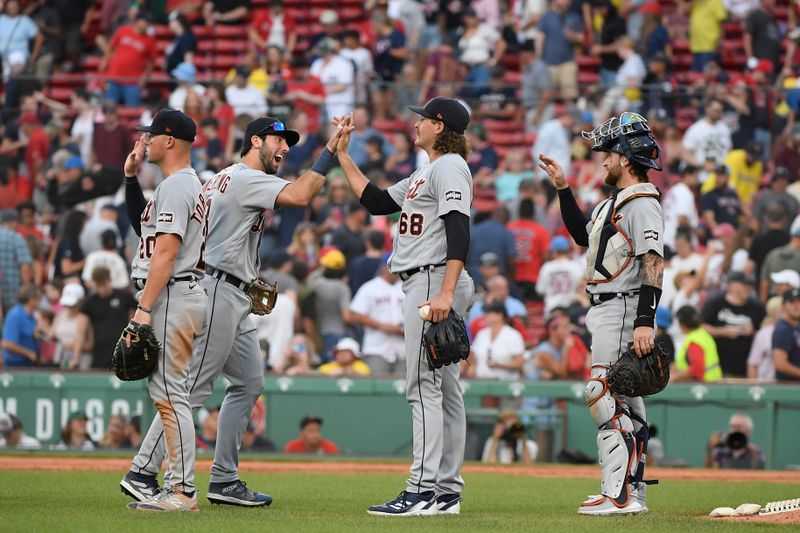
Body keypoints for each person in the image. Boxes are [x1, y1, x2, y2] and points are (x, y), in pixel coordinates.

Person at [122, 115, 346, 509]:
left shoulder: (218, 177)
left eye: (288, 142)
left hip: (234, 291)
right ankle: (143, 470)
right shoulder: (244, 176)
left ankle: (223, 478)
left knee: (249, 382)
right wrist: (329, 152)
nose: (285, 148)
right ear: (255, 141)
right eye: (278, 140)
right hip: (216, 289)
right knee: (190, 390)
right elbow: (300, 195)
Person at [336, 97, 475, 516]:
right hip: (429, 278)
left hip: (433, 280)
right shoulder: (426, 170)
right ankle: (446, 490)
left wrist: (446, 292)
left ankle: (422, 490)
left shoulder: (449, 164)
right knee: (445, 390)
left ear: (439, 125)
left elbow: (459, 229)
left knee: (421, 387)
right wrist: (342, 156)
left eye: (422, 119)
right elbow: (378, 201)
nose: (414, 124)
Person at [538, 111, 665, 515]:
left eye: (607, 152)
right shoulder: (617, 201)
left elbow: (654, 263)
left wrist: (645, 320)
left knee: (603, 392)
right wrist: (563, 189)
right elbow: (580, 235)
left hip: (623, 306)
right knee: (627, 400)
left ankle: (619, 495)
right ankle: (633, 492)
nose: (602, 160)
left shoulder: (642, 201)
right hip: (608, 306)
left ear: (626, 158)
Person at [118, 108, 208, 512]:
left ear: (169, 140)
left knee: (171, 397)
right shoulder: (180, 185)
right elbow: (146, 231)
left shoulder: (176, 186)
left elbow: (166, 254)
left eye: (151, 135)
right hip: (179, 293)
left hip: (172, 293)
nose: (146, 141)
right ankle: (176, 486)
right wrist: (130, 177)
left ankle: (183, 492)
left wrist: (143, 309)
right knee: (171, 394)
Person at [348, 254, 406, 375]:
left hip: (403, 348)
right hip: (377, 348)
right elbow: (354, 314)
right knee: (377, 387)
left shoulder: (407, 287)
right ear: (383, 267)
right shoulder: (370, 287)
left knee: (404, 388)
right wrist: (382, 326)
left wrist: (406, 329)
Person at [700, 272, 765, 377]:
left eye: (750, 285)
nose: (748, 288)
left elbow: (766, 332)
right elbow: (700, 327)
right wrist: (722, 332)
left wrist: (752, 332)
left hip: (747, 367)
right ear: (730, 285)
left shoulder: (757, 306)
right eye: (744, 284)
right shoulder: (715, 303)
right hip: (719, 365)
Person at [78, 267, 137, 370]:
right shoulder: (89, 302)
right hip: (99, 355)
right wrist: (75, 356)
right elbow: (80, 331)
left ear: (109, 280)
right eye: (98, 286)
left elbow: (136, 322)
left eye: (103, 285)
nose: (101, 289)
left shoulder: (125, 297)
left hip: (123, 353)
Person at [464, 301, 525, 380]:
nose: (485, 316)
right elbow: (473, 355)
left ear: (499, 315)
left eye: (489, 313)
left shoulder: (513, 335)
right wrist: (472, 367)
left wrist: (499, 365)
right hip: (481, 382)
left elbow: (519, 362)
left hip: (505, 383)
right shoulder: (481, 334)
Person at [670, 305, 722, 382]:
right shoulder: (703, 334)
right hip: (713, 383)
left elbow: (697, 368)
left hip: (704, 386)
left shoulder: (694, 340)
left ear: (682, 323)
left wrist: (675, 377)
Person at [536, 236, 584, 317]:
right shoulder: (575, 266)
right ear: (567, 250)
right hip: (571, 309)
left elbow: (540, 290)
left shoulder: (547, 267)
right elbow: (582, 288)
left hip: (552, 309)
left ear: (554, 251)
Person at [2, 285, 41, 367]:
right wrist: (29, 353)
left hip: (29, 365)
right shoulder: (15, 315)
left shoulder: (33, 316)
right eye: (38, 298)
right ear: (31, 299)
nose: (40, 301)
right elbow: (8, 344)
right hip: (15, 366)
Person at [772, 287, 800, 381]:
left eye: (799, 302)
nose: (797, 306)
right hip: (788, 386)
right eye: (792, 302)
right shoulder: (783, 329)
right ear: (783, 306)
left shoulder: (796, 327)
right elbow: (780, 364)